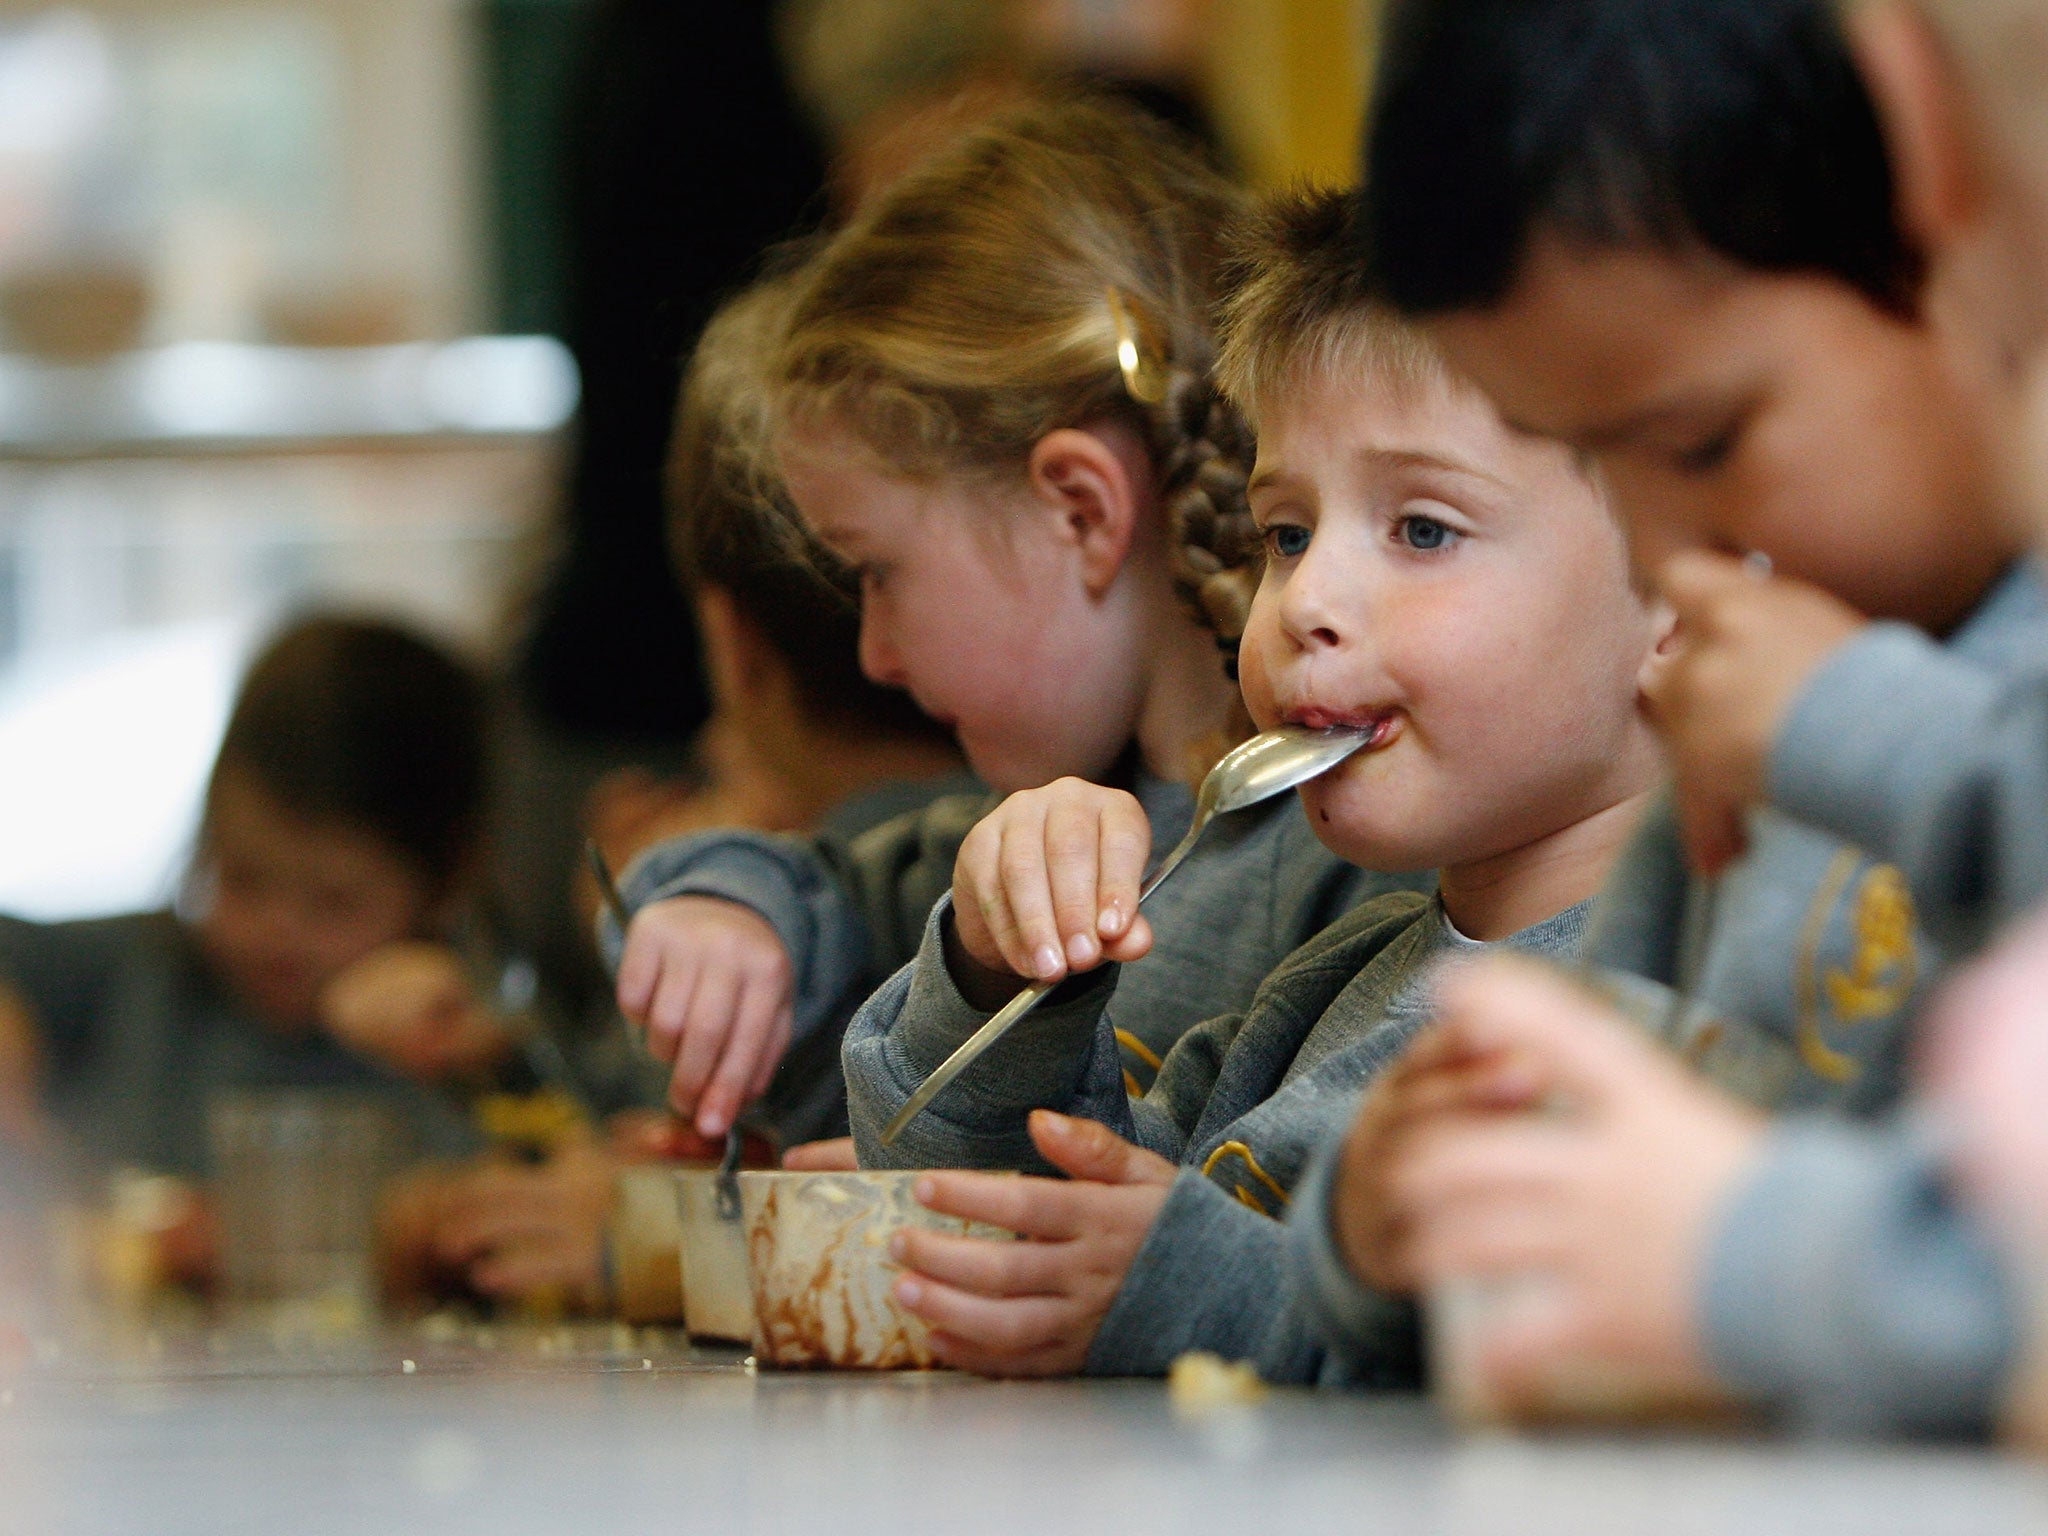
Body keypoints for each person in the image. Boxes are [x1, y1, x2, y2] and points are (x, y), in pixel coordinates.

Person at [1299, 0, 2048, 1433]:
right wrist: (1382, 1217)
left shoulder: (1846, 715)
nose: (1657, 553)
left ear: (1936, 184)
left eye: (1704, 442)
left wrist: (1859, 730)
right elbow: (1613, 1134)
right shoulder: (1745, 726)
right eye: (1589, 460)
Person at [839, 188, 1671, 1384]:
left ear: (1680, 600)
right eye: (1284, 533)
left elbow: (1596, 1383)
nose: (1305, 601)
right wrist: (993, 974)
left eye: (1423, 530)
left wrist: (1214, 1295)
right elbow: (992, 1246)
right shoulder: (1323, 991)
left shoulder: (1687, 1009)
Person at [604, 98, 1419, 1154]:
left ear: (1081, 510)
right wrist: (728, 911)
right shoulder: (998, 837)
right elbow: (820, 884)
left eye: (878, 573)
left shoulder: (1353, 853)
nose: (873, 654)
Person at [0, 615, 486, 1193]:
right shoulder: (142, 972)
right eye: (244, 880)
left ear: (444, 888)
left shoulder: (479, 1042)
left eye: (334, 902)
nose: (275, 930)